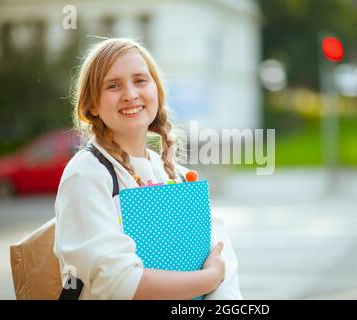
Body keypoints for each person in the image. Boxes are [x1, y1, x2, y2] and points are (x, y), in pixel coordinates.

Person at [54, 37, 242, 300]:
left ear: (157, 92)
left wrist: (216, 278)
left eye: (140, 80)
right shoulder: (87, 175)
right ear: (92, 106)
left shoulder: (175, 174)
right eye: (113, 85)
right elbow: (120, 282)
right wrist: (207, 279)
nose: (130, 94)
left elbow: (220, 256)